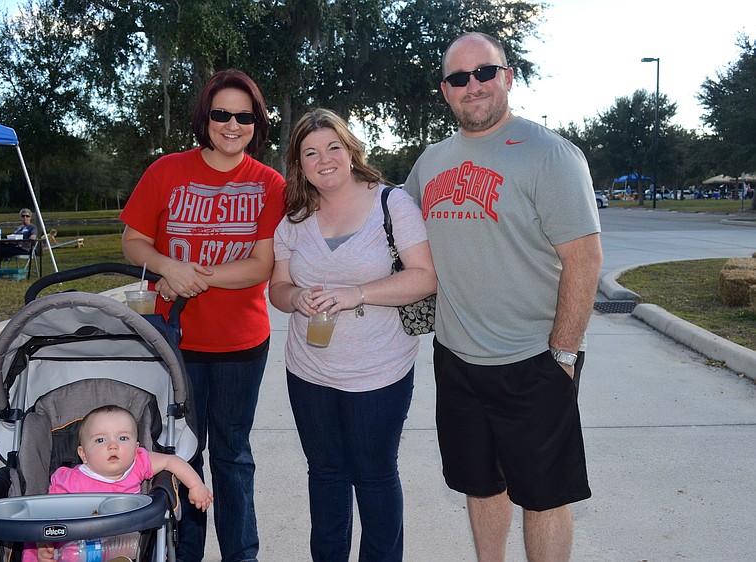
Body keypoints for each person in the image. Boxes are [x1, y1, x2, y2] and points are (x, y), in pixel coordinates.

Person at [403, 32, 603, 561]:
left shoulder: (551, 155)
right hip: (457, 360)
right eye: (459, 78)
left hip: (533, 359)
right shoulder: (430, 163)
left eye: (485, 73)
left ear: (508, 77)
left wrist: (563, 353)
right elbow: (393, 236)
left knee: (544, 498)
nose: (474, 86)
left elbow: (585, 259)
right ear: (444, 90)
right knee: (481, 485)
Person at [119, 69, 286, 562]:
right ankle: (183, 554)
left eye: (244, 116)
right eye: (221, 114)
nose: (232, 125)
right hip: (175, 344)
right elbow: (133, 241)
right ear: (205, 118)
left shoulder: (268, 182)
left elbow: (260, 265)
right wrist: (168, 265)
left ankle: (242, 555)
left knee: (233, 456)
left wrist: (195, 277)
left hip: (242, 344)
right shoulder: (166, 171)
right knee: (181, 455)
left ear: (257, 122)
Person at [269, 108, 437, 561]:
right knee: (324, 476)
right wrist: (295, 297)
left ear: (350, 150)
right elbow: (277, 290)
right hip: (308, 369)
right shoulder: (294, 218)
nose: (323, 160)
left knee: (375, 475)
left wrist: (356, 293)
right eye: (310, 152)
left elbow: (424, 277)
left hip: (378, 371)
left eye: (332, 147)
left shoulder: (391, 203)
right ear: (298, 163)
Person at [24, 405, 213, 562]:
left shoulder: (138, 463)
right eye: (100, 440)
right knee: (37, 551)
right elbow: (47, 513)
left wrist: (196, 485)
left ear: (136, 447)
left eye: (123, 438)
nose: (113, 445)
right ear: (83, 454)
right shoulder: (70, 480)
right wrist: (44, 542)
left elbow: (171, 461)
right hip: (74, 547)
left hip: (120, 546)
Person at [0, 208, 39, 273]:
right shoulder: (18, 227)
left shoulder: (32, 227)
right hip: (14, 245)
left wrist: (33, 236)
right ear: (20, 217)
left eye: (27, 216)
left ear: (30, 217)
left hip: (23, 248)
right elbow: (14, 236)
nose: (25, 217)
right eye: (23, 216)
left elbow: (34, 235)